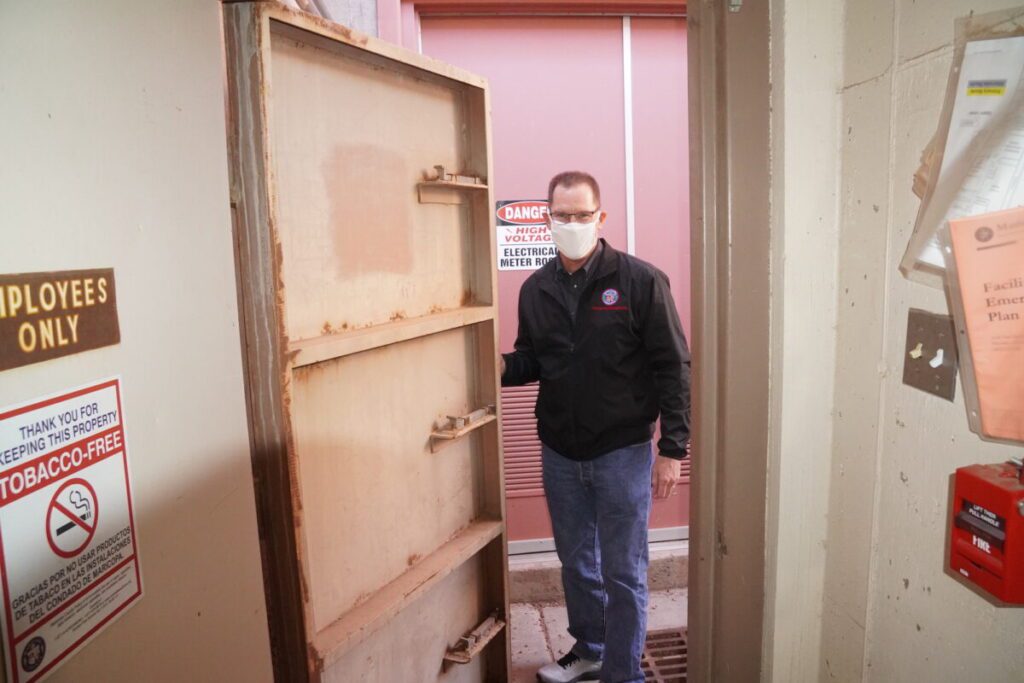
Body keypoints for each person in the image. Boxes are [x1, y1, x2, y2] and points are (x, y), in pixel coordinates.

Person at [501, 171, 691, 683]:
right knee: (576, 563)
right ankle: (589, 649)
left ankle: (623, 673)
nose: (572, 224)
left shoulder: (640, 281)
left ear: (600, 217)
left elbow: (673, 366)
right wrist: (490, 367)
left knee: (623, 571)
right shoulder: (535, 289)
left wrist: (673, 448)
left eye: (582, 215)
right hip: (560, 452)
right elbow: (530, 360)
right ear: (547, 219)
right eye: (561, 215)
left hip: (622, 453)